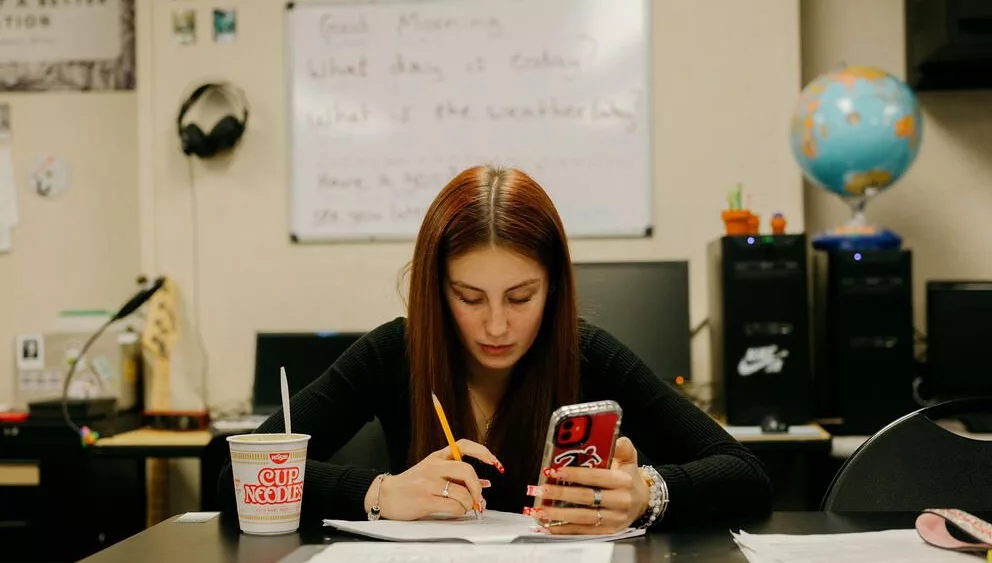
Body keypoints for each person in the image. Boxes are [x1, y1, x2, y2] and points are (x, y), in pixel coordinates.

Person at [217, 165, 773, 534]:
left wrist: (647, 492)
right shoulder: (396, 351)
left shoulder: (588, 353)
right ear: (437, 290)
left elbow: (746, 475)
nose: (497, 325)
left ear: (553, 286)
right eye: (469, 297)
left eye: (521, 296)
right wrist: (380, 492)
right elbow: (234, 475)